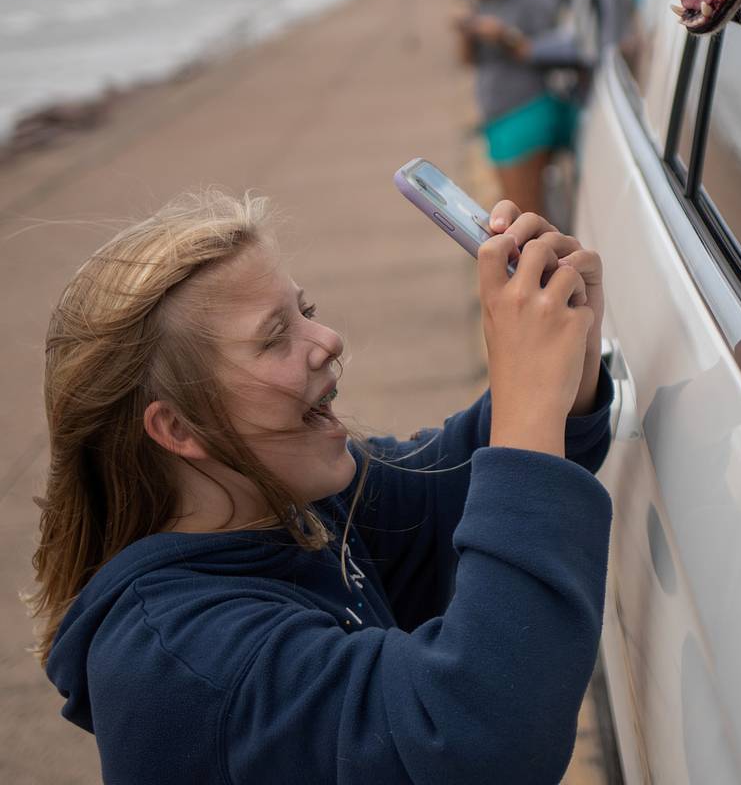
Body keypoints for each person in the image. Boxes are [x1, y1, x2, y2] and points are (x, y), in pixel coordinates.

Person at [28, 189, 613, 785]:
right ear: (179, 426)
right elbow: (477, 736)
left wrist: (567, 355)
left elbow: (457, 481)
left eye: (305, 310)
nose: (327, 338)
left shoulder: (297, 509)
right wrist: (529, 403)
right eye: (275, 335)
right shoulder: (186, 659)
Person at [455, 0, 575, 216]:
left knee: (524, 213)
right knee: (515, 207)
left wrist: (503, 35)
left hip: (525, 109)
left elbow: (552, 50)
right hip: (496, 116)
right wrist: (465, 30)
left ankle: (544, 258)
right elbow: (468, 61)